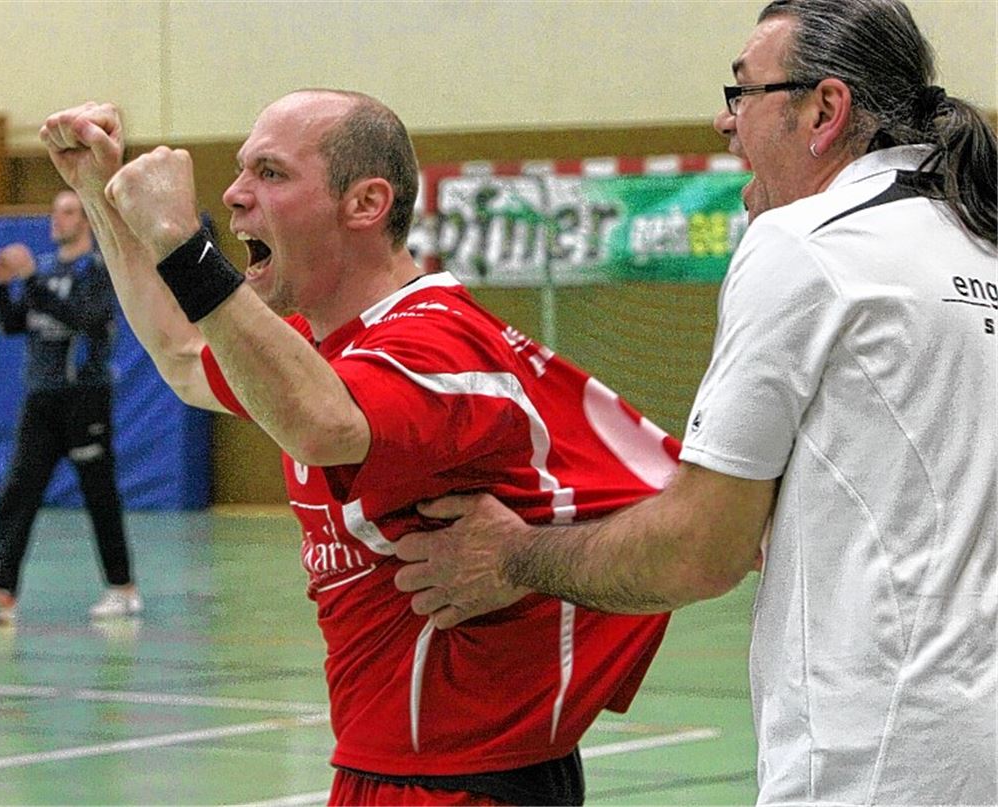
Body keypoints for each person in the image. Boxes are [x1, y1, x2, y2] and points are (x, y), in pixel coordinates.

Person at [392, 1, 998, 805]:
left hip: (884, 759)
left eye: (742, 91)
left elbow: (698, 551)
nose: (723, 119)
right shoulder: (974, 235)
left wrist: (511, 555)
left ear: (825, 110)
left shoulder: (806, 245)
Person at [39, 90, 686, 806]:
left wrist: (182, 243)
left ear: (366, 202)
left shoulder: (435, 341)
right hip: (384, 772)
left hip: (467, 784)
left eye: (271, 173)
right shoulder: (325, 348)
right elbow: (189, 356)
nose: (234, 192)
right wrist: (100, 197)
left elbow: (326, 425)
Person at [0, 191, 142, 625]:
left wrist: (30, 283)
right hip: (41, 397)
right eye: (54, 211)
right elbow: (13, 325)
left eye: (67, 212)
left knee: (98, 492)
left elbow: (84, 318)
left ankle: (122, 588)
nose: (57, 220)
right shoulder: (46, 268)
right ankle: (0, 593)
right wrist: (0, 286)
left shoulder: (98, 270)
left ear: (86, 221)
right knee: (18, 492)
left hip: (84, 396)